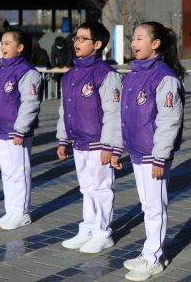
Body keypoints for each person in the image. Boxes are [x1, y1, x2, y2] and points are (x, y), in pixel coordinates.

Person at [111, 21, 185, 281]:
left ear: (156, 44)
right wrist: (117, 148)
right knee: (147, 205)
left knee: (155, 206)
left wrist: (160, 156)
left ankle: (154, 257)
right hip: (137, 151)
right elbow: (124, 117)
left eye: (140, 38)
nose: (134, 42)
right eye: (133, 37)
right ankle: (150, 251)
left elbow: (169, 120)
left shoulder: (164, 77)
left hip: (154, 154)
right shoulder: (132, 75)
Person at [56, 21, 122, 254]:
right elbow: (64, 109)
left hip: (98, 142)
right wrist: (63, 138)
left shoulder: (105, 74)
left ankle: (103, 233)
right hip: (78, 141)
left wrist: (110, 145)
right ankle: (88, 228)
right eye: (76, 37)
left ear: (97, 44)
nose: (77, 42)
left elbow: (114, 112)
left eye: (83, 38)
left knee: (101, 187)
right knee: (86, 188)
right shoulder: (70, 74)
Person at [0, 30, 43, 230]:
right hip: (0, 130)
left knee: (19, 172)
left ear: (20, 48)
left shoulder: (27, 72)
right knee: (7, 173)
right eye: (2, 43)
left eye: (8, 43)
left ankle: (22, 212)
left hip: (16, 132)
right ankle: (11, 211)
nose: (3, 47)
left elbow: (30, 103)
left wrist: (20, 130)